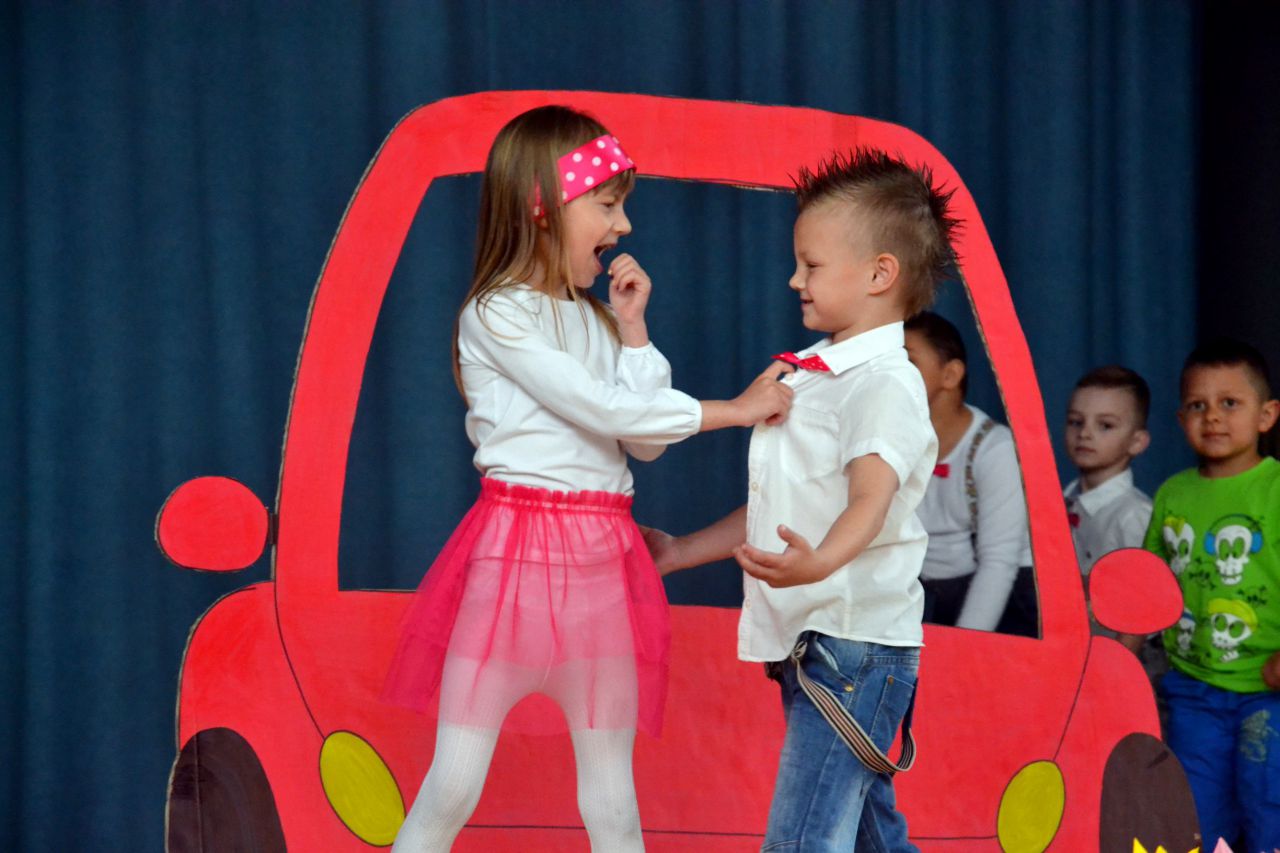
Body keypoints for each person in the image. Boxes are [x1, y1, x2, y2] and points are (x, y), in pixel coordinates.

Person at [382, 105, 794, 853]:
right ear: (543, 204)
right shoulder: (496, 314)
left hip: (601, 569)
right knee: (454, 784)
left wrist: (633, 332)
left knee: (612, 802)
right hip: (513, 567)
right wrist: (733, 410)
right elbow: (596, 406)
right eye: (607, 204)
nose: (624, 225)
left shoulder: (596, 320)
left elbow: (644, 442)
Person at [647, 149, 956, 852]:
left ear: (880, 273)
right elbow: (786, 507)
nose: (794, 280)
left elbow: (870, 500)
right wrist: (682, 551)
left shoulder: (883, 382)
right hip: (826, 648)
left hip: (854, 649)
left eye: (810, 265)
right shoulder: (818, 376)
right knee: (875, 838)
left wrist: (819, 564)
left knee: (801, 841)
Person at [1143, 338, 1280, 851]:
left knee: (1268, 806)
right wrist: (1121, 655)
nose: (1213, 417)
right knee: (1196, 814)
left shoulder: (1275, 489)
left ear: (1266, 415)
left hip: (1268, 692)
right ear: (1181, 420)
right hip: (1193, 688)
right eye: (1198, 406)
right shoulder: (1173, 492)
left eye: (1230, 403)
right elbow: (1146, 586)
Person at [902, 311, 1036, 635]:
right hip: (923, 597)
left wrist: (967, 647)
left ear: (950, 375)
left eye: (907, 361)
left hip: (996, 603)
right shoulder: (893, 440)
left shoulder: (994, 449)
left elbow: (998, 564)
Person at [1062, 365, 1153, 649]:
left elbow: (1144, 608)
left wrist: (1119, 664)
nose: (1085, 434)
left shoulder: (1135, 515)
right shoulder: (1064, 498)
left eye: (1105, 425)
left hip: (1119, 657)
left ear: (1137, 442)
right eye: (1076, 422)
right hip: (1071, 648)